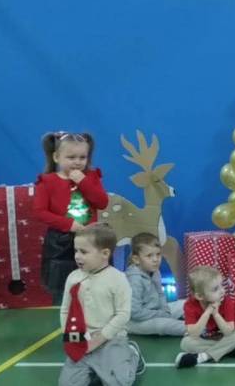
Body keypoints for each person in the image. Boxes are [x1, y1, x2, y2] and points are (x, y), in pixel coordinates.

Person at [58, 223, 144, 385]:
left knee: (120, 382)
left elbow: (123, 314)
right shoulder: (73, 278)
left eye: (83, 252)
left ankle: (132, 355)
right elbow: (65, 310)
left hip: (111, 339)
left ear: (105, 253)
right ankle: (95, 370)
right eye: (76, 251)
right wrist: (70, 336)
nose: (77, 256)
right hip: (81, 339)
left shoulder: (118, 278)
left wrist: (100, 338)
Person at [34, 132, 108, 303]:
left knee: (93, 283)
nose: (77, 162)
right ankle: (65, 313)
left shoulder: (91, 177)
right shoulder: (47, 181)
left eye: (82, 157)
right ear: (56, 157)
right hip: (60, 242)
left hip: (90, 238)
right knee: (61, 286)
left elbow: (102, 202)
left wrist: (83, 182)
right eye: (71, 157)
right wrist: (68, 224)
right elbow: (40, 212)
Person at [176, 266, 235, 368]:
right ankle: (230, 349)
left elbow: (228, 332)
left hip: (223, 338)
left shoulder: (227, 301)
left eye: (221, 285)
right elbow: (194, 334)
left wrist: (216, 314)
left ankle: (202, 357)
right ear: (200, 296)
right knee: (185, 343)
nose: (222, 291)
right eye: (215, 289)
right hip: (205, 340)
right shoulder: (189, 305)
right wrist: (207, 312)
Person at [126, 232, 185, 336]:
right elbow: (135, 312)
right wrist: (161, 314)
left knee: (185, 303)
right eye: (149, 256)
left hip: (156, 311)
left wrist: (165, 311)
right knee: (163, 325)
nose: (155, 259)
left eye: (158, 254)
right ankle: (198, 329)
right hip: (137, 321)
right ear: (136, 259)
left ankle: (208, 318)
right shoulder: (134, 279)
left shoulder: (155, 271)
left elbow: (160, 294)